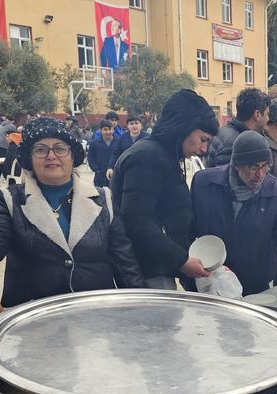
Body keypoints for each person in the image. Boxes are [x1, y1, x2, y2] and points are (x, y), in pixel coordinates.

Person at [0, 117, 144, 307]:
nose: (51, 155)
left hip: (95, 314)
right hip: (33, 316)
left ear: (73, 155)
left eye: (60, 148)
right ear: (29, 158)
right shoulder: (10, 199)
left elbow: (124, 260)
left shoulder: (104, 198)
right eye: (41, 149)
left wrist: (140, 305)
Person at [110, 89, 219, 290]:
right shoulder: (147, 157)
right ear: (184, 128)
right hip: (147, 272)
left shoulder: (165, 154)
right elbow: (136, 221)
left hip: (159, 266)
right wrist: (181, 260)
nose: (204, 150)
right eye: (203, 139)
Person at [190, 131, 277, 295]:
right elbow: (189, 227)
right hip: (211, 279)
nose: (260, 174)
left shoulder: (276, 191)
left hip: (255, 282)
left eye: (265, 166)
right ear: (237, 164)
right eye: (253, 167)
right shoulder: (205, 184)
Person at [206, 87, 270, 167]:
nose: (268, 119)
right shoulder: (235, 143)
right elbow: (227, 177)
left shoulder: (227, 133)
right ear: (257, 115)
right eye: (267, 114)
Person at [105, 115, 147, 180]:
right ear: (128, 126)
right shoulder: (122, 138)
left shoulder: (147, 138)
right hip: (126, 171)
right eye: (131, 124)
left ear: (141, 125)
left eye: (136, 123)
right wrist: (110, 167)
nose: (134, 126)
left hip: (143, 170)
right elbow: (116, 153)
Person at [0, 112, 28, 183]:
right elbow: (16, 133)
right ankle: (0, 180)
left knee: (0, 164)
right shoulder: (11, 126)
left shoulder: (2, 124)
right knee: (3, 163)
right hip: (2, 145)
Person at [88, 119, 117, 187]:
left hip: (115, 176)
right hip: (100, 177)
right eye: (105, 129)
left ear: (113, 130)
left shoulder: (119, 142)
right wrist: (96, 169)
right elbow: (91, 158)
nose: (108, 132)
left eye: (110, 129)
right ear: (100, 130)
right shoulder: (94, 143)